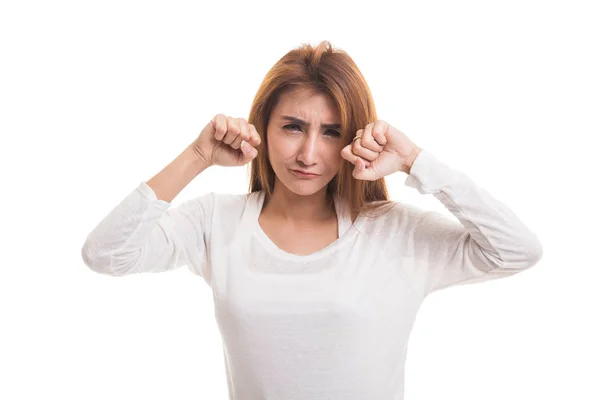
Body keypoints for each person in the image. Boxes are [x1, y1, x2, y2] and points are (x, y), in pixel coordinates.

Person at [81, 40, 543, 399]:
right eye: (293, 127)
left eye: (332, 133)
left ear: (355, 137)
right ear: (263, 126)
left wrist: (415, 162)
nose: (308, 154)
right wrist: (199, 155)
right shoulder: (216, 223)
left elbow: (516, 251)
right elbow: (106, 254)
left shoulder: (395, 233)